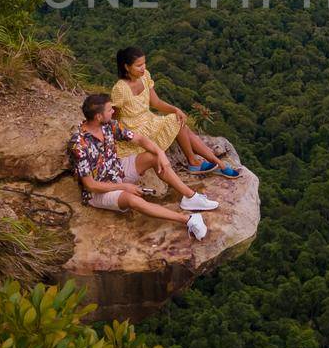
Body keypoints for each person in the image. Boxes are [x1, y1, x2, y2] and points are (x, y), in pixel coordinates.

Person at [69, 93, 217, 239]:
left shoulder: (109, 125)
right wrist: (123, 187)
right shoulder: (79, 145)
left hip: (116, 169)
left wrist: (160, 153)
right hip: (99, 190)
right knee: (132, 200)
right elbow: (90, 185)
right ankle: (189, 220)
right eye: (109, 110)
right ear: (98, 117)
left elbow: (139, 139)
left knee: (152, 157)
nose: (114, 111)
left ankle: (190, 197)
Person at [110, 46, 243, 178]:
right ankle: (198, 162)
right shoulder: (120, 89)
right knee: (176, 121)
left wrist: (176, 109)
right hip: (134, 129)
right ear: (127, 67)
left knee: (179, 121)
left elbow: (156, 103)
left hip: (148, 121)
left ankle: (215, 162)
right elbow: (112, 118)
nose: (143, 68)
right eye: (138, 65)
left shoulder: (145, 77)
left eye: (144, 63)